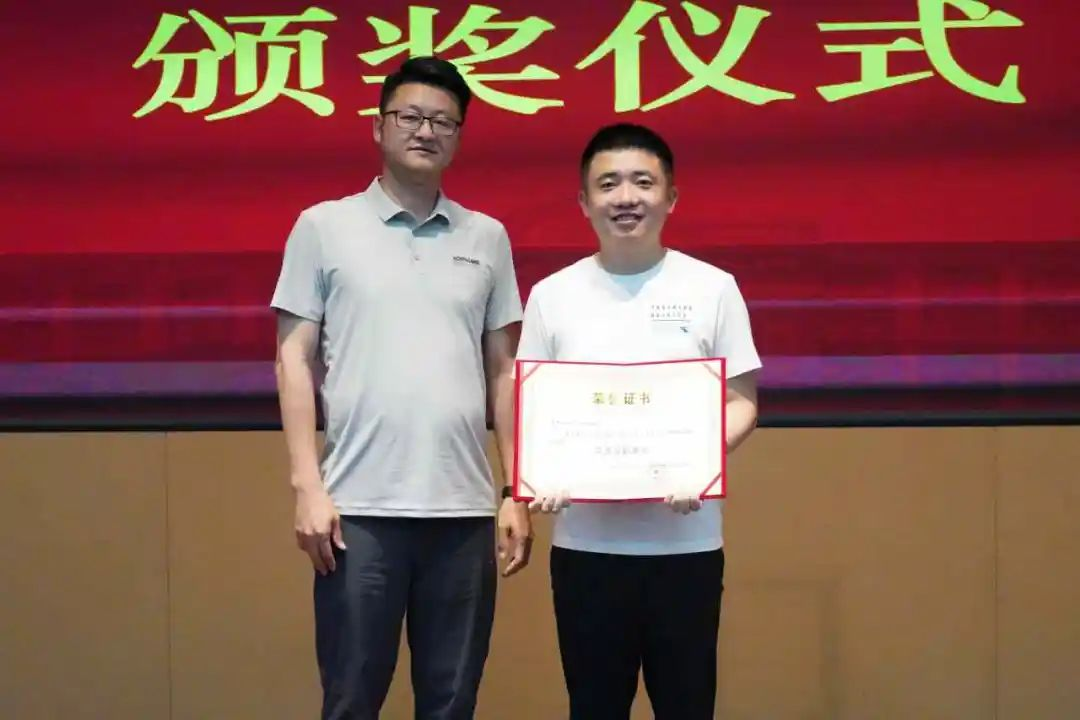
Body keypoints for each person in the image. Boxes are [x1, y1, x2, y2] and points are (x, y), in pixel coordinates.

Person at [271, 56, 532, 720]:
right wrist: (307, 486)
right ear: (378, 127)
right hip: (358, 511)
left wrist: (515, 490)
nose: (426, 131)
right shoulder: (322, 227)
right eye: (410, 116)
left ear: (459, 136)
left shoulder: (487, 237)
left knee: (451, 702)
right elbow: (293, 358)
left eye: (443, 121)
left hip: (463, 513)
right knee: (352, 698)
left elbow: (504, 370)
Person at [517, 123, 761, 720]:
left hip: (686, 545)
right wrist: (540, 476)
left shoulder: (713, 288)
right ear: (583, 202)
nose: (626, 197)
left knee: (687, 705)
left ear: (671, 197)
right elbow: (534, 407)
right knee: (594, 707)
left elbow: (742, 402)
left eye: (642, 182)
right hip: (586, 549)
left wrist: (700, 462)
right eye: (608, 184)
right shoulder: (552, 295)